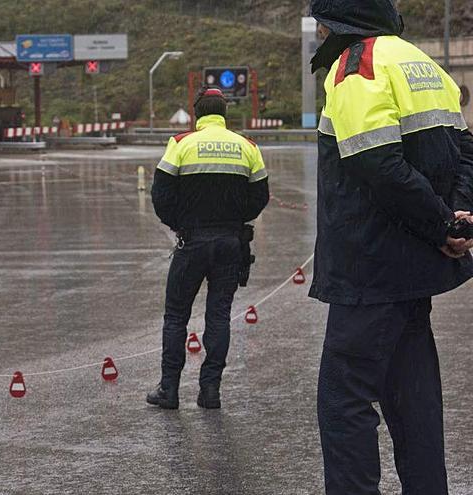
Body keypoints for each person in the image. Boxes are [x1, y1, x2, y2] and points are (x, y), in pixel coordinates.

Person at [309, 0, 473, 492]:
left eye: (322, 20)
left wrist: (442, 224)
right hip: (414, 269)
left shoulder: (359, 64)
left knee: (343, 398)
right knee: (413, 398)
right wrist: (456, 220)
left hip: (370, 268)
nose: (318, 31)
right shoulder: (425, 64)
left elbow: (377, 164)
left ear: (341, 19)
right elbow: (466, 151)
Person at [147, 88, 269, 410]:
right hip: (230, 243)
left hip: (191, 242)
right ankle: (210, 390)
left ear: (197, 113)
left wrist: (177, 222)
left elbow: (160, 193)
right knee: (219, 315)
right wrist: (235, 220)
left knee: (176, 316)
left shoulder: (180, 144)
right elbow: (260, 197)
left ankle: (169, 390)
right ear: (224, 113)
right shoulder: (247, 147)